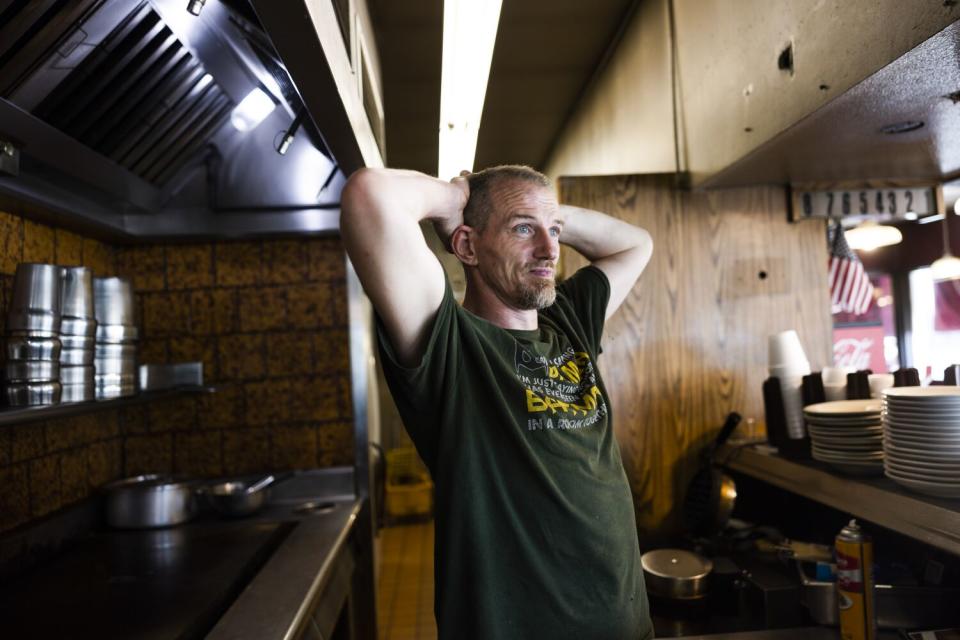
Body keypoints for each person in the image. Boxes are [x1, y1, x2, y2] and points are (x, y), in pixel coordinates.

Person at [340, 164, 654, 639]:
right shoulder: (449, 343)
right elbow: (369, 194)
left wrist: (540, 211)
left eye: (555, 233)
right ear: (467, 245)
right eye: (523, 230)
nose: (550, 250)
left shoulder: (569, 323)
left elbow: (636, 244)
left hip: (624, 627)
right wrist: (455, 199)